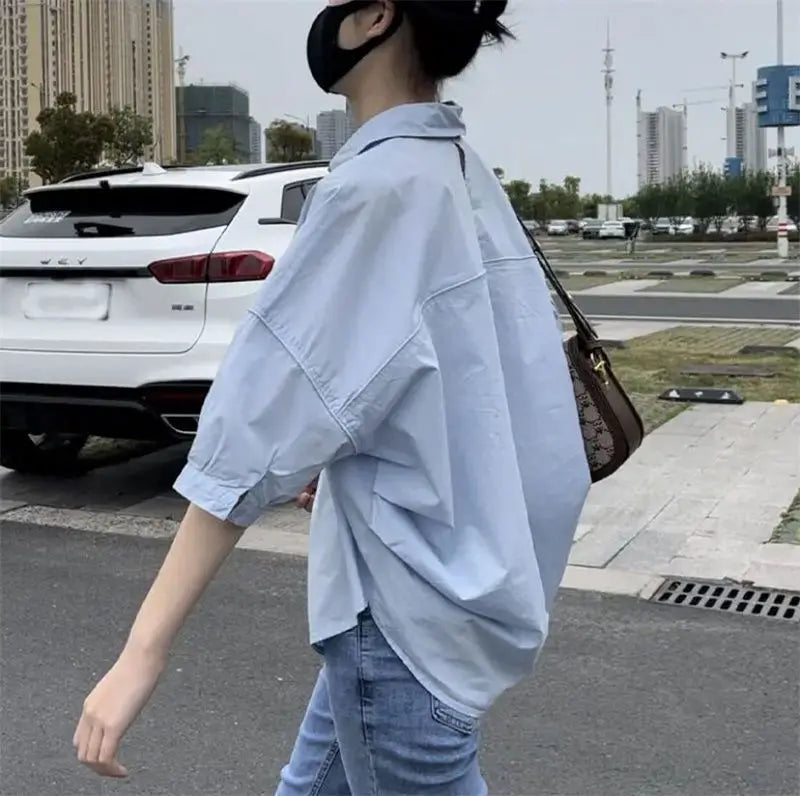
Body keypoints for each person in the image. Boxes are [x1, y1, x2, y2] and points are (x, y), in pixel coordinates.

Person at [73, 1, 591, 793]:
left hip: (404, 621)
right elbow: (448, 382)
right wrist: (357, 457)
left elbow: (254, 433)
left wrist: (140, 653)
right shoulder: (458, 169)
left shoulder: (377, 188)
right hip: (440, 596)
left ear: (376, 16)